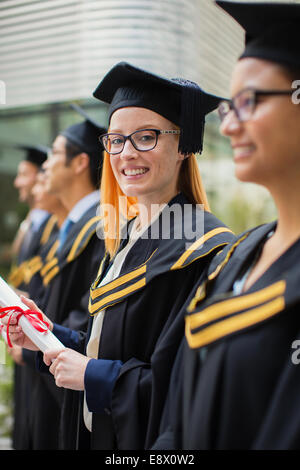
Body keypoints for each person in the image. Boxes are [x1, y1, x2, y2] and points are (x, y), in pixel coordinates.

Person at [5, 62, 235, 450]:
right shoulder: (127, 236)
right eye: (115, 140)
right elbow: (106, 345)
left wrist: (95, 376)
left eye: (145, 137)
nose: (126, 153)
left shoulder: (204, 249)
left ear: (183, 145)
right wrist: (46, 334)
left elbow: (189, 389)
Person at [154, 0, 300, 450]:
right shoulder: (239, 255)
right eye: (226, 108)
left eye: (247, 102)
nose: (228, 127)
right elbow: (175, 421)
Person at [19, 107, 107, 450]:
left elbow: (89, 312)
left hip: (68, 376)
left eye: (55, 154)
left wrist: (34, 349)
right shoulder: (66, 228)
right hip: (49, 369)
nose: (46, 166)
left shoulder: (102, 226)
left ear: (80, 163)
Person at [7, 144, 50, 450]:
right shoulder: (31, 224)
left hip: (43, 348)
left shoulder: (52, 227)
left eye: (24, 174)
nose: (18, 182)